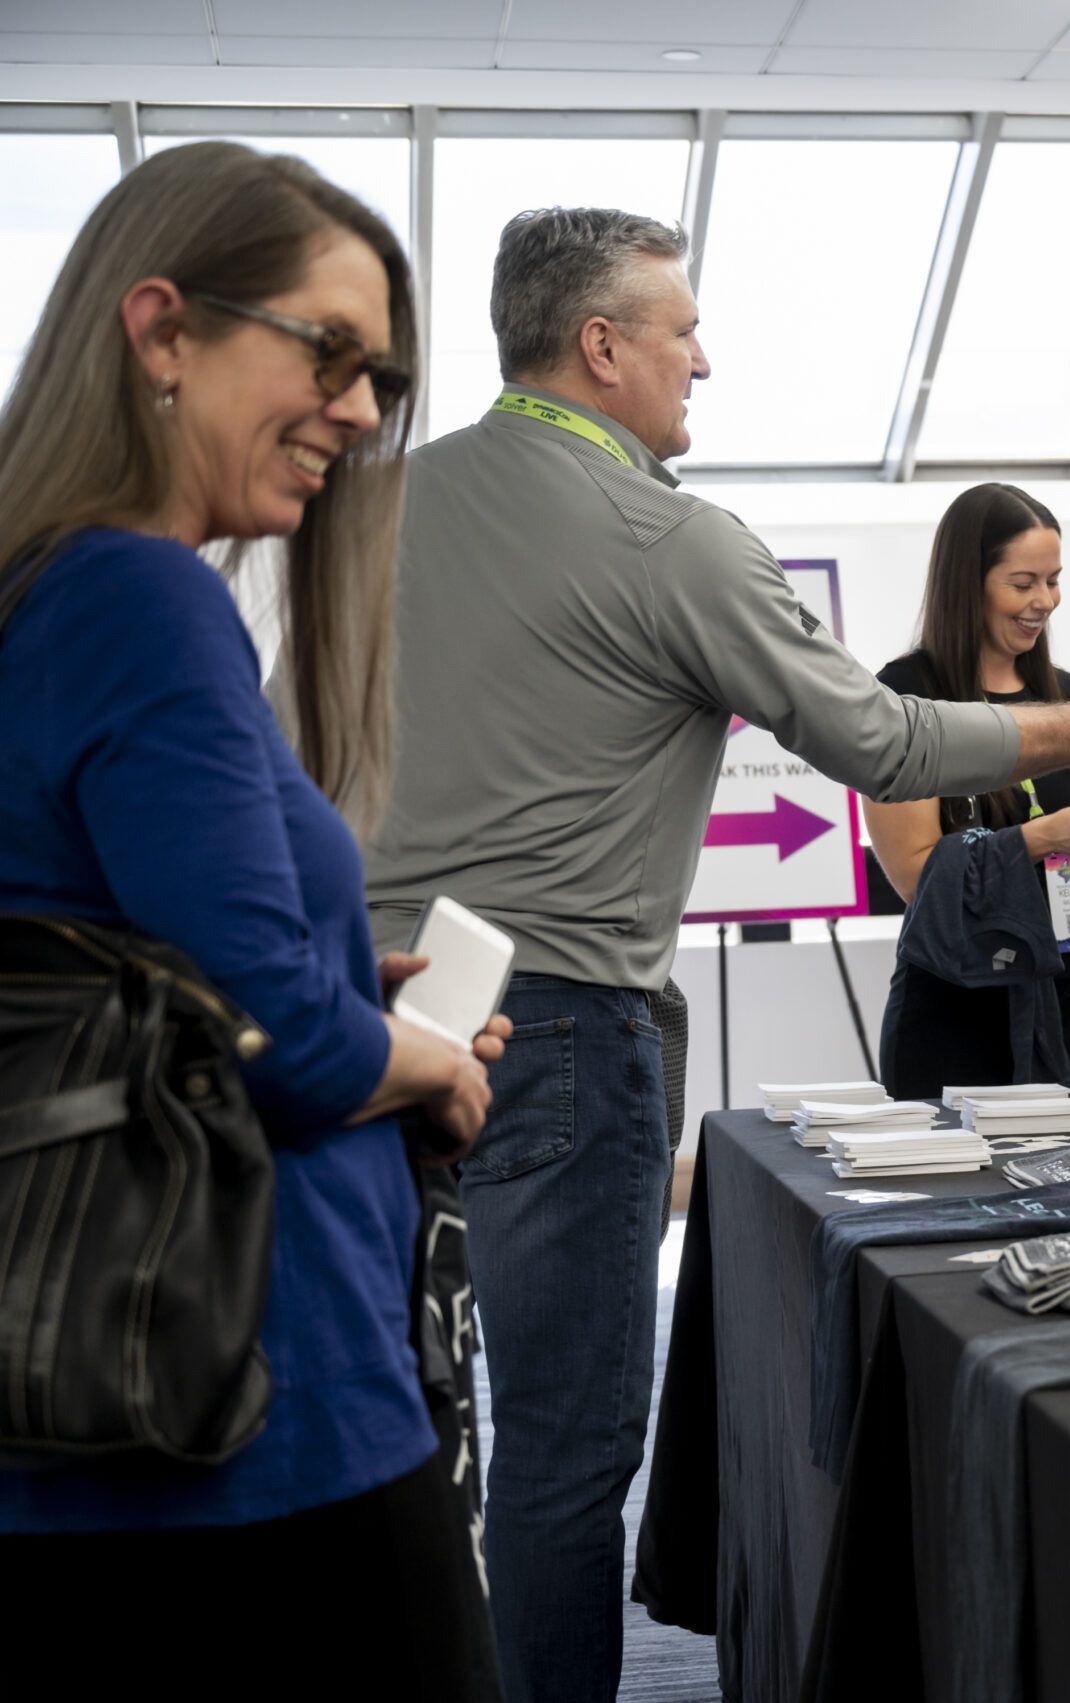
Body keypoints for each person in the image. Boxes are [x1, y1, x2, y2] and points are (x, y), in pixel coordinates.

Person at [362, 207, 1070, 1703]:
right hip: (562, 1023)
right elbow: (876, 738)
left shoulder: (379, 507)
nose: (703, 359)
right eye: (683, 330)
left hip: (382, 1015)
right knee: (565, 1455)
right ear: (601, 346)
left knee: (414, 1432)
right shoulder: (668, 533)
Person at [0, 142, 509, 1695]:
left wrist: (349, 983)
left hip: (131, 1399)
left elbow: (139, 970)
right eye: (330, 351)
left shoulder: (45, 593)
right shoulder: (138, 598)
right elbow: (273, 1037)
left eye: (380, 376)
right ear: (163, 330)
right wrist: (426, 1060)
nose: (359, 410)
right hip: (259, 1403)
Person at [867, 484, 1070, 1098]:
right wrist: (1039, 839)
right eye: (1023, 583)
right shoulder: (905, 697)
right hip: (957, 1019)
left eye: (1054, 580)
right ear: (968, 584)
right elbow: (914, 878)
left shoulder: (1066, 695)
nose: (1045, 601)